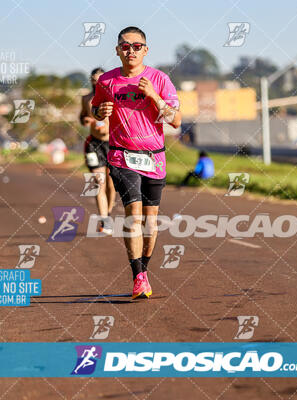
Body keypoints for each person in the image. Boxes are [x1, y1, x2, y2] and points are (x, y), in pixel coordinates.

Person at [91, 26, 181, 299]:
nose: (131, 50)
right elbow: (96, 109)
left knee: (150, 223)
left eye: (137, 45)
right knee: (134, 216)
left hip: (154, 157)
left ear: (146, 49)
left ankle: (144, 270)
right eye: (126, 45)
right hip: (121, 156)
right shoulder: (106, 81)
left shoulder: (160, 79)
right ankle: (138, 277)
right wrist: (99, 111)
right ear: (117, 50)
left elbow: (175, 120)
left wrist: (153, 95)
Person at [81, 67, 116, 235]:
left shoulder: (113, 96)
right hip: (94, 144)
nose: (97, 84)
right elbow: (82, 117)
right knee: (98, 182)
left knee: (111, 183)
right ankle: (105, 219)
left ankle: (107, 213)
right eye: (94, 81)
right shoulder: (86, 99)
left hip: (113, 143)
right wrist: (85, 119)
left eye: (100, 81)